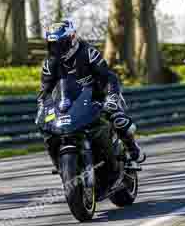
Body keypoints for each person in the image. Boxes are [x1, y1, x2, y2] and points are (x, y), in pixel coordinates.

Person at [36, 18, 144, 167]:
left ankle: (132, 148)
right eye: (53, 45)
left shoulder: (88, 53)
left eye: (61, 44)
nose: (57, 49)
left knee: (118, 119)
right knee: (48, 129)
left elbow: (108, 77)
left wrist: (112, 97)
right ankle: (61, 164)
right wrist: (42, 108)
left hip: (98, 96)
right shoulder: (50, 64)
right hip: (70, 103)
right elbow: (45, 91)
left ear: (72, 39)